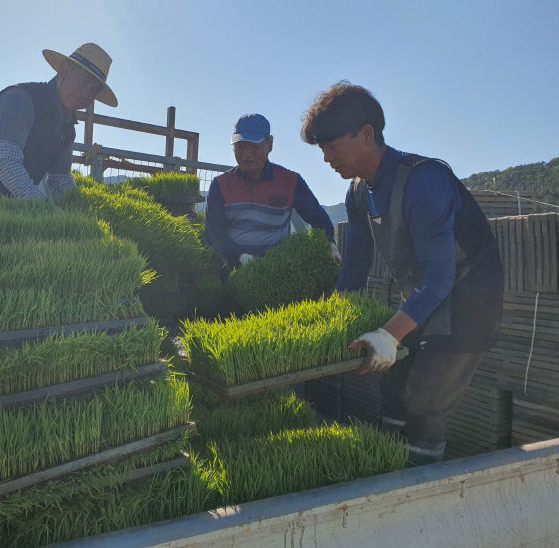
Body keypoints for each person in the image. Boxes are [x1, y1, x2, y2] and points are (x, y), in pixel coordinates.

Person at [301, 82, 503, 465]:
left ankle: (417, 483)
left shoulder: (423, 180)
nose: (326, 157)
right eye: (321, 148)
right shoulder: (359, 193)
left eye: (331, 145)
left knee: (427, 398)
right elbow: (355, 268)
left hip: (468, 300)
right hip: (424, 295)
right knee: (394, 385)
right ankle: (387, 465)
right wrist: (334, 319)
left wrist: (389, 333)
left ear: (366, 134)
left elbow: (442, 277)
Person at [0, 43, 118, 200]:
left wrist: (79, 213)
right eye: (83, 81)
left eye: (93, 90)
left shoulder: (67, 129)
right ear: (64, 69)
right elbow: (5, 161)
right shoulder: (21, 99)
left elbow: (60, 180)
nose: (86, 93)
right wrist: (44, 210)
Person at [205, 113, 338, 269]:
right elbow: (213, 233)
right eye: (240, 146)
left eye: (254, 146)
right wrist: (239, 257)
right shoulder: (220, 185)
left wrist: (330, 243)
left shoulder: (290, 181)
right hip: (232, 269)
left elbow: (318, 218)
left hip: (277, 270)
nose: (246, 154)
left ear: (270, 145)